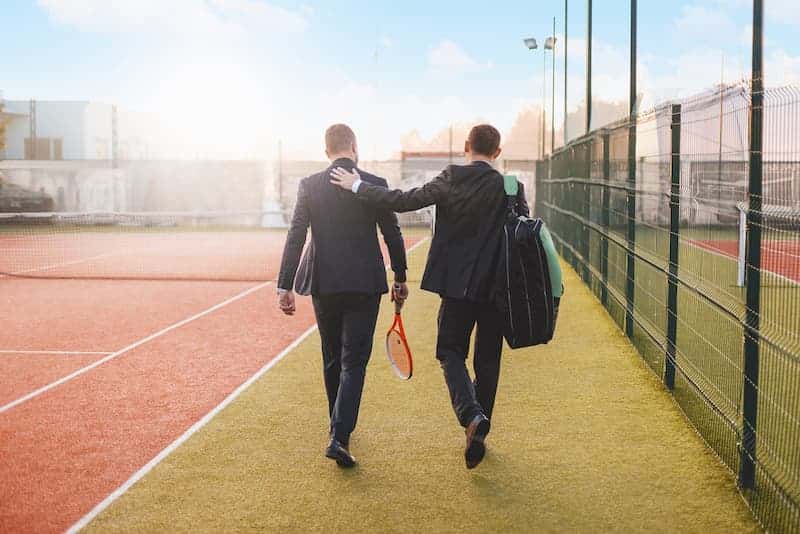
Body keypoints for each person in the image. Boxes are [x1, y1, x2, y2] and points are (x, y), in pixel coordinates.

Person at [330, 124, 528, 469]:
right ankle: (478, 427)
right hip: (498, 287)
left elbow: (404, 202)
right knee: (488, 359)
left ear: (467, 147)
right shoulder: (510, 186)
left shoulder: (451, 177)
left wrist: (357, 185)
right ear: (497, 152)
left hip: (457, 286)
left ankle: (471, 416)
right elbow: (523, 228)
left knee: (450, 352)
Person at [277, 124, 409, 468]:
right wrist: (400, 276)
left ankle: (336, 425)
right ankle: (340, 435)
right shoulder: (374, 185)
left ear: (327, 151)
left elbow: (295, 236)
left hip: (323, 282)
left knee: (333, 357)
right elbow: (392, 233)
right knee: (354, 362)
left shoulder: (309, 185)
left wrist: (284, 285)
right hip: (364, 283)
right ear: (353, 146)